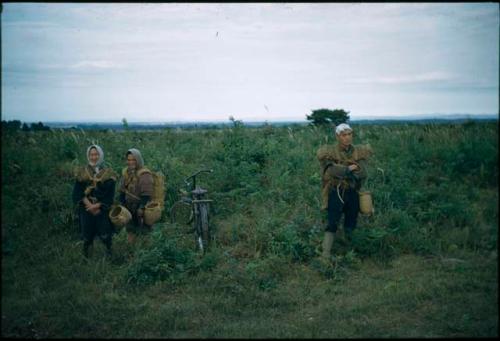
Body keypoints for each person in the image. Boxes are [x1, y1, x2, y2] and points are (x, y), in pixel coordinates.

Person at [316, 123, 372, 259]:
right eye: (344, 135)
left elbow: (363, 172)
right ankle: (325, 255)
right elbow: (331, 171)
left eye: (349, 134)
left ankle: (349, 253)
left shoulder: (358, 151)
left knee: (351, 221)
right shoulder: (329, 151)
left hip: (352, 191)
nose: (347, 138)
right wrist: (348, 169)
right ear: (337, 136)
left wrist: (347, 171)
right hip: (336, 190)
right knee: (332, 222)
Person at [72, 145, 117, 258]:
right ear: (88, 156)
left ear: (100, 155)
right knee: (87, 235)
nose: (94, 157)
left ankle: (109, 255)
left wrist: (97, 206)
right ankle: (86, 257)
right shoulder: (82, 172)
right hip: (86, 209)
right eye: (91, 155)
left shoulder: (108, 173)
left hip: (101, 210)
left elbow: (109, 195)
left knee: (105, 234)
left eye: (96, 154)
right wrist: (89, 206)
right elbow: (77, 192)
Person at [119, 148, 154, 244]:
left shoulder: (145, 174)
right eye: (129, 160)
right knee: (130, 233)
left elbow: (147, 194)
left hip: (142, 208)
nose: (131, 162)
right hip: (129, 208)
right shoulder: (126, 172)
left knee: (144, 235)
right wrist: (122, 205)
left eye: (133, 160)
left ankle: (146, 256)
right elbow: (122, 191)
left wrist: (142, 208)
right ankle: (131, 254)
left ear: (138, 159)